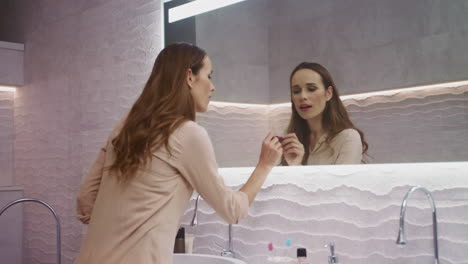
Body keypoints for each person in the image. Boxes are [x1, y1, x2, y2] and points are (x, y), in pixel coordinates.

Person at [74, 43, 282, 264]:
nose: (212, 87)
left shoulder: (125, 127)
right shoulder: (187, 134)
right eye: (209, 76)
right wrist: (264, 165)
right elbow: (232, 210)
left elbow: (85, 203)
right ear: (189, 77)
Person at [280, 62, 368, 165]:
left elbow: (342, 181)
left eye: (311, 89)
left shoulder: (347, 138)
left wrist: (298, 167)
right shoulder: (294, 140)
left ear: (328, 93)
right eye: (296, 91)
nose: (302, 96)